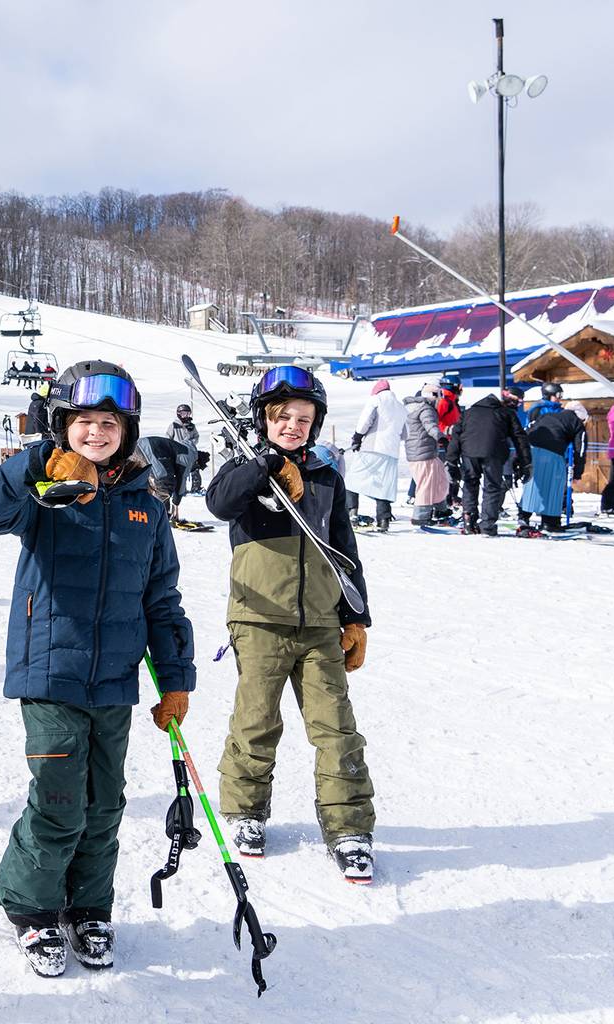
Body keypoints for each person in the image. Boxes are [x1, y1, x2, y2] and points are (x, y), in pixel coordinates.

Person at [0, 359, 195, 977]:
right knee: (60, 799)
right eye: (83, 422)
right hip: (49, 673)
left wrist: (175, 680)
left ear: (127, 428)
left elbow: (162, 600)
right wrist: (33, 467)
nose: (95, 433)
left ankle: (89, 904)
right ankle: (32, 906)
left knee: (105, 803)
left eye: (108, 423)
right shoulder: (43, 493)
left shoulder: (146, 508)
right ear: (62, 425)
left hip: (115, 680)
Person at [205, 364, 375, 883]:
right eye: (283, 417)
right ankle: (246, 812)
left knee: (336, 727)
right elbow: (218, 503)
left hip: (321, 621)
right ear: (263, 420)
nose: (293, 426)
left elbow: (343, 549)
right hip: (259, 618)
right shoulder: (243, 469)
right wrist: (264, 466)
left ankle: (349, 828)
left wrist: (356, 617)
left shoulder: (326, 477)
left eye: (304, 419)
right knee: (256, 721)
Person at [448, 385, 531, 536]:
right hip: (494, 453)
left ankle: (469, 522)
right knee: (492, 487)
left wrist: (451, 460)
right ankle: (487, 525)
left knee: (470, 483)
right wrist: (526, 462)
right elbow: (520, 438)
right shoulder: (506, 413)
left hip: (469, 453)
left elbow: (456, 436)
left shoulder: (469, 412)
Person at [517, 403, 588, 534]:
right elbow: (580, 450)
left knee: (533, 484)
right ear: (581, 416)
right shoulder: (577, 424)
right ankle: (550, 521)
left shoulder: (547, 416)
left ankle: (523, 516)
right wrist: (578, 474)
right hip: (553, 453)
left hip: (532, 450)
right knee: (553, 486)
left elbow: (528, 430)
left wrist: (520, 455)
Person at [345, 380, 407, 531]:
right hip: (391, 452)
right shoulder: (401, 407)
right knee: (384, 486)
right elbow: (406, 434)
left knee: (352, 480)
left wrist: (357, 437)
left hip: (372, 448)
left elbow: (365, 420)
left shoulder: (376, 400)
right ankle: (383, 520)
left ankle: (351, 513)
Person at [403, 385, 449, 527]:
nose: (440, 399)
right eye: (438, 395)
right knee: (426, 484)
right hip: (422, 452)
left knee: (440, 479)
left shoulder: (413, 408)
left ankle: (440, 509)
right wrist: (440, 437)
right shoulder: (425, 409)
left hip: (424, 451)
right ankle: (420, 516)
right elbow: (430, 426)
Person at [435, 374, 464, 510]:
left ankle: (453, 496)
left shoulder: (453, 402)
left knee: (454, 471)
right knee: (447, 472)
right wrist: (446, 431)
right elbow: (434, 421)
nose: (461, 389)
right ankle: (446, 499)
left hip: (453, 442)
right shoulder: (444, 402)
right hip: (444, 443)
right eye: (459, 386)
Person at [169, 404, 201, 493]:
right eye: (183, 414)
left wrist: (191, 443)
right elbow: (168, 438)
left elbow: (196, 436)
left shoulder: (191, 426)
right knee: (181, 471)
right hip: (178, 453)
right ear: (178, 414)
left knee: (195, 469)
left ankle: (196, 488)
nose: (186, 416)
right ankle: (181, 490)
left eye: (187, 414)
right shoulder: (174, 425)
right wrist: (173, 447)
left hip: (190, 452)